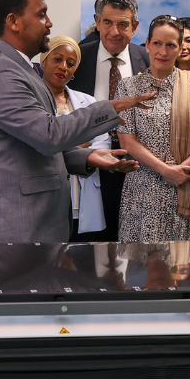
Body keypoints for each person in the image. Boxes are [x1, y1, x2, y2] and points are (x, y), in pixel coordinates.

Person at [0, 0, 152, 244]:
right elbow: (48, 135)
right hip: (14, 224)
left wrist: (87, 158)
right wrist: (110, 107)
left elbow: (30, 147)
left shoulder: (19, 68)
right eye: (41, 15)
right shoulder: (1, 71)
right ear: (13, 21)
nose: (49, 23)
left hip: (33, 221)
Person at [115, 15, 190, 242]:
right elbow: (127, 141)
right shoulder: (128, 87)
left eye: (170, 45)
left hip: (188, 184)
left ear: (180, 48)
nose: (162, 52)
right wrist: (165, 171)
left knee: (188, 268)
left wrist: (184, 168)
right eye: (157, 43)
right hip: (144, 190)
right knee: (144, 266)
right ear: (147, 44)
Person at [70, 0, 151, 240]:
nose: (114, 31)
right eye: (107, 22)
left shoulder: (146, 60)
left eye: (123, 24)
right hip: (89, 165)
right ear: (97, 21)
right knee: (90, 244)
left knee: (127, 247)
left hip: (136, 167)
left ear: (135, 26)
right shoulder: (78, 58)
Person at [38, 35, 119, 241]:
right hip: (44, 197)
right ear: (43, 60)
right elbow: (36, 146)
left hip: (82, 198)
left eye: (70, 63)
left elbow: (101, 145)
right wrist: (77, 143)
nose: (63, 66)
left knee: (84, 264)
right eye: (57, 59)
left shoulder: (88, 102)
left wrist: (60, 143)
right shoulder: (29, 100)